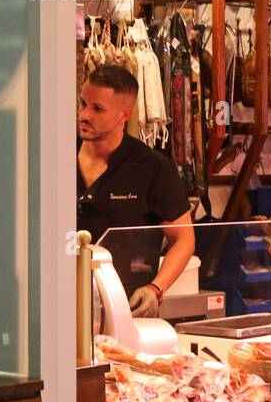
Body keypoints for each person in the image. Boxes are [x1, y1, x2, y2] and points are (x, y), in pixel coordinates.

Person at [78, 65, 194, 318]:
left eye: (97, 109)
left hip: (124, 310)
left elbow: (183, 239)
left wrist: (156, 288)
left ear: (124, 115)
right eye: (83, 103)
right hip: (59, 305)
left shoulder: (152, 166)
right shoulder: (54, 155)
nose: (84, 114)